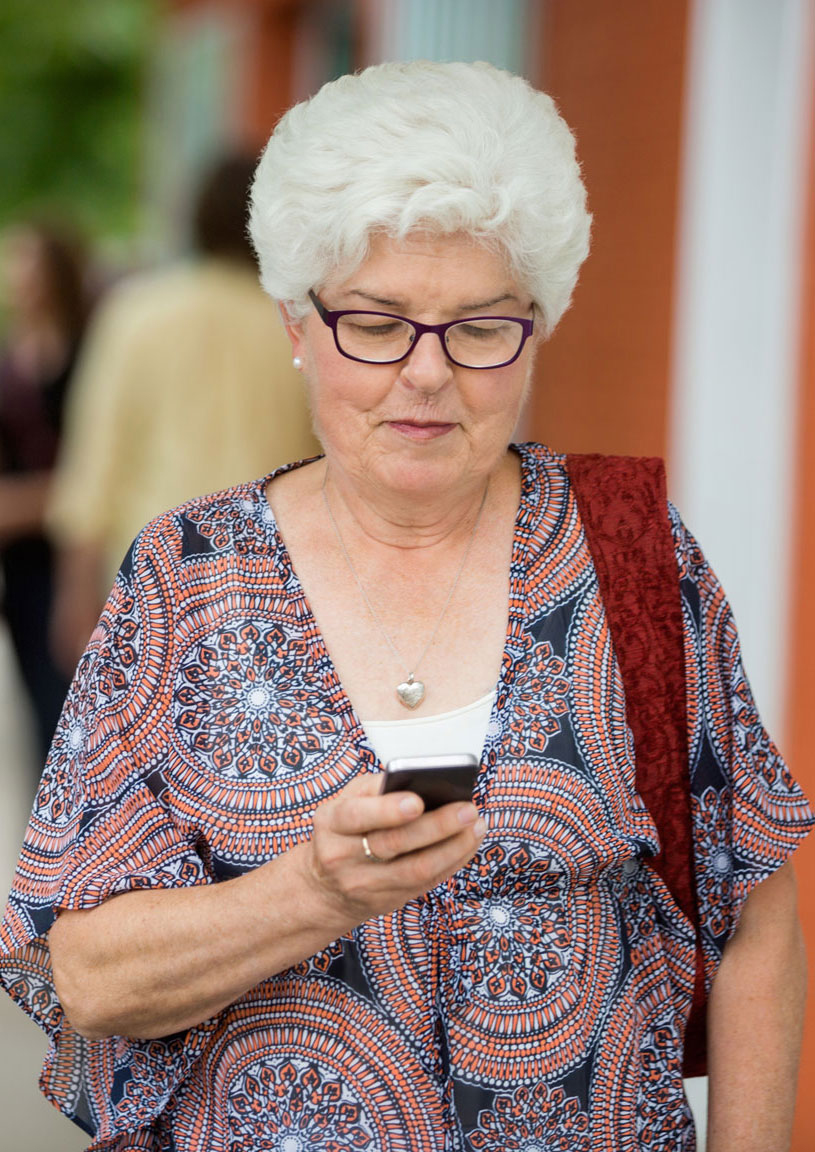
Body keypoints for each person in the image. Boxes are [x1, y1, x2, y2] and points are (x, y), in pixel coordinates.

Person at [1, 61, 812, 1152]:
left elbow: (754, 911)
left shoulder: (631, 552)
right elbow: (85, 973)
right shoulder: (185, 579)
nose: (426, 374)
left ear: (537, 323)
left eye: (480, 327)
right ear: (296, 322)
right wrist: (307, 895)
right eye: (375, 323)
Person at [47, 154, 320, 674]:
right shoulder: (304, 326)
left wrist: (74, 596)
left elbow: (94, 469)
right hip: (280, 582)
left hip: (151, 585)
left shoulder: (136, 313)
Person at [0, 222, 87, 770]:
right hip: (23, 561)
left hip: (76, 544)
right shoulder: (11, 359)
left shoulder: (89, 351)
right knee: (38, 703)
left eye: (29, 262)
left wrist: (33, 500)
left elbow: (96, 462)